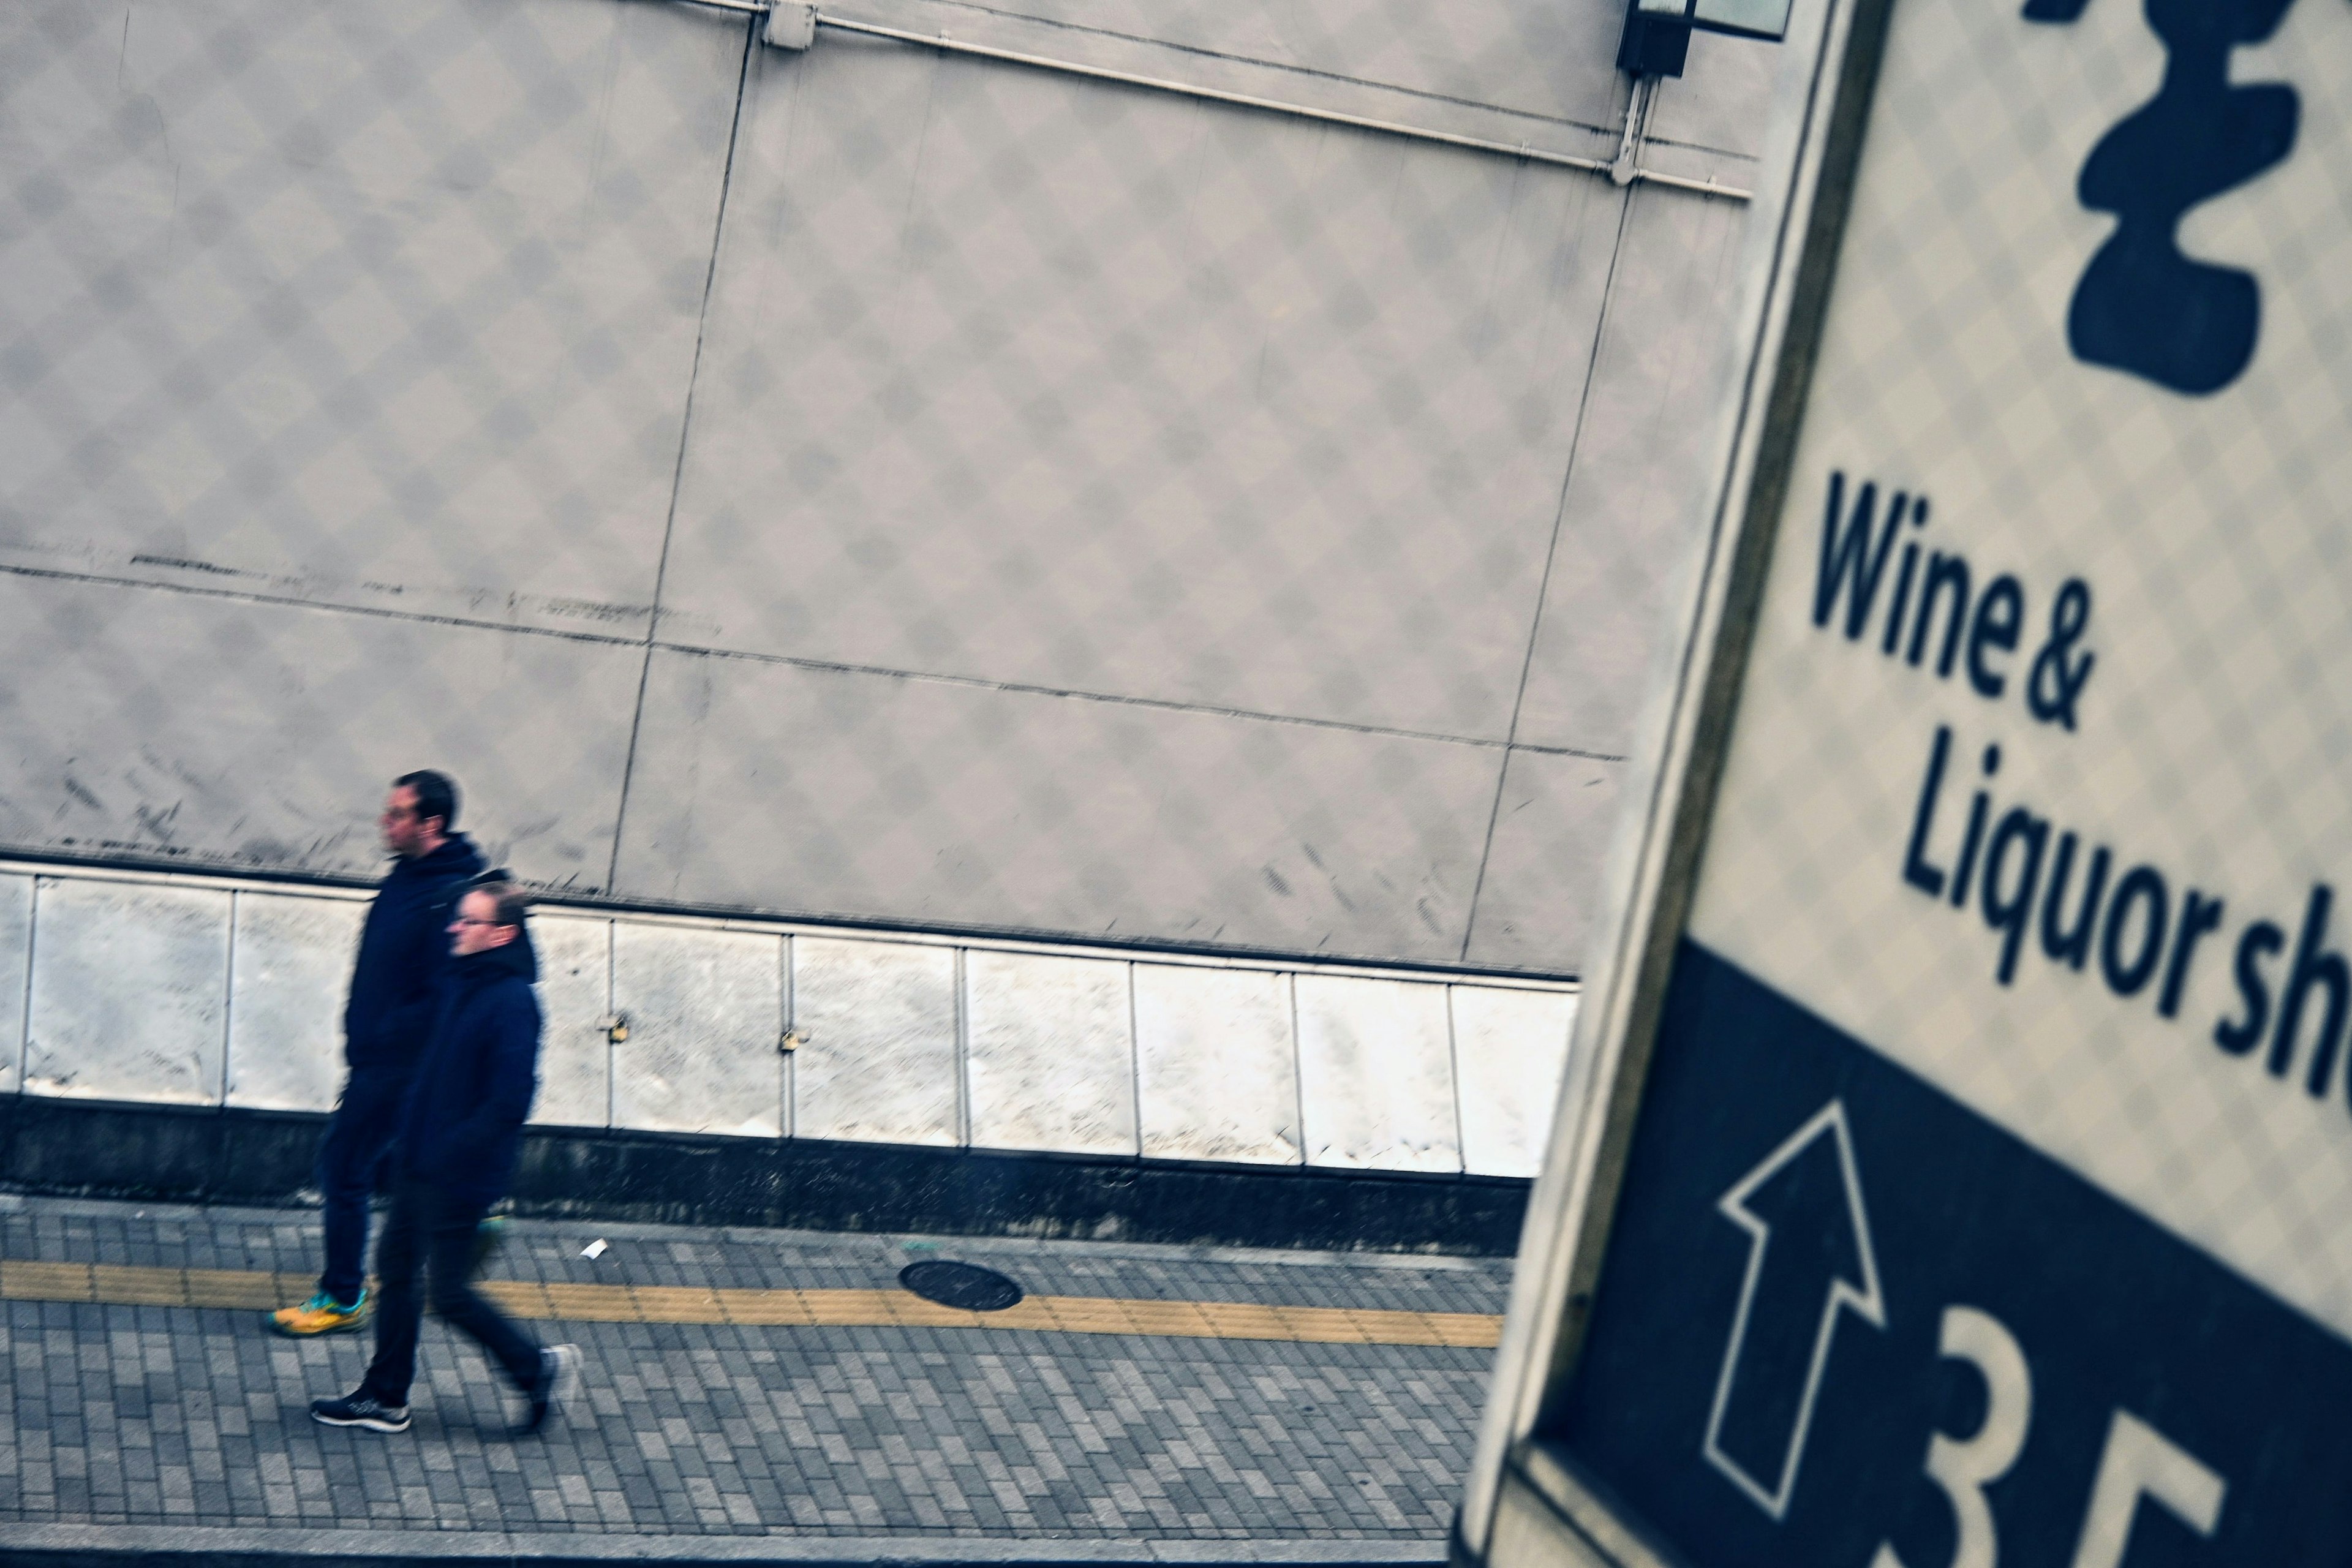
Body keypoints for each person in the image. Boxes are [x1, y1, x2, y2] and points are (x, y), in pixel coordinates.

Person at [311, 874, 580, 1436]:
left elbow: (508, 1103)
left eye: (469, 921)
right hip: (420, 1162)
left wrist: (446, 1154)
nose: (454, 928)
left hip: (457, 1176)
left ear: (501, 934)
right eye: (458, 917)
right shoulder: (465, 980)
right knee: (399, 1275)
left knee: (449, 1293)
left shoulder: (511, 1002)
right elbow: (435, 1076)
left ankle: (538, 1370)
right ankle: (386, 1398)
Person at [270, 772, 484, 1337]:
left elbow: (440, 997)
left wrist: (383, 1038)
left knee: (343, 1169)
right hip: (377, 1057)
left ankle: (342, 1297)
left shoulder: (448, 896)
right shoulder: (410, 875)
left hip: (394, 1066)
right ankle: (462, 1229)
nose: (383, 824)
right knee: (392, 1166)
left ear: (430, 824)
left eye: (396, 815)